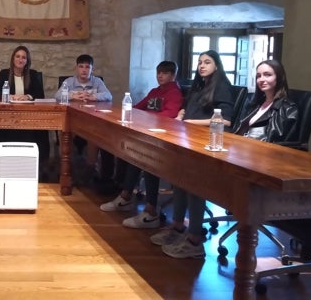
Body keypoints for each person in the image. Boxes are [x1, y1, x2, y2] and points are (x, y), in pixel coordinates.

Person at [150, 50, 234, 259]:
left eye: (207, 62)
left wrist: (189, 122)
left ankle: (195, 239)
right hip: (187, 136)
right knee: (179, 178)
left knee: (194, 183)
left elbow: (226, 121)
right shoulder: (198, 86)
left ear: (217, 65)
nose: (202, 66)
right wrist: (180, 116)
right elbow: (185, 108)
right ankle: (178, 226)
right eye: (199, 62)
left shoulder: (222, 86)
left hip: (207, 141)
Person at [100, 61, 183, 229]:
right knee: (131, 154)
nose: (160, 76)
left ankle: (143, 205)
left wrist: (146, 117)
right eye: (158, 72)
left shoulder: (174, 93)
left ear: (173, 75)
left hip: (163, 136)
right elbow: (137, 107)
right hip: (147, 130)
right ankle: (125, 196)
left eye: (165, 73)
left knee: (144, 158)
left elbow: (169, 115)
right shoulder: (154, 91)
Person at [54, 54, 114, 188]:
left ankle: (90, 170)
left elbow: (108, 95)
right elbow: (57, 95)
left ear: (92, 69)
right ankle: (66, 168)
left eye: (87, 67)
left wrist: (93, 96)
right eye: (81, 67)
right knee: (65, 134)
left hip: (91, 122)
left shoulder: (97, 81)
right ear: (76, 68)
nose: (84, 70)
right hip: (72, 121)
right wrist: (74, 95)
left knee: (94, 137)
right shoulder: (69, 81)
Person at [0, 46, 51, 164]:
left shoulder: (32, 74)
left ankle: (37, 162)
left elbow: (40, 94)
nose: (20, 60)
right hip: (9, 115)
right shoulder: (5, 73)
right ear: (13, 59)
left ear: (27, 61)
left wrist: (28, 96)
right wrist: (9, 96)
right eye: (18, 56)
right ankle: (4, 160)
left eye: (24, 57)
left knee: (41, 130)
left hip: (29, 117)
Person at [234, 59, 298, 143]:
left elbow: (278, 142)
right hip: (242, 146)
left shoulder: (288, 108)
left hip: (263, 151)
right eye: (258, 76)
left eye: (267, 75)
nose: (261, 79)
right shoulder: (254, 103)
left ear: (278, 77)